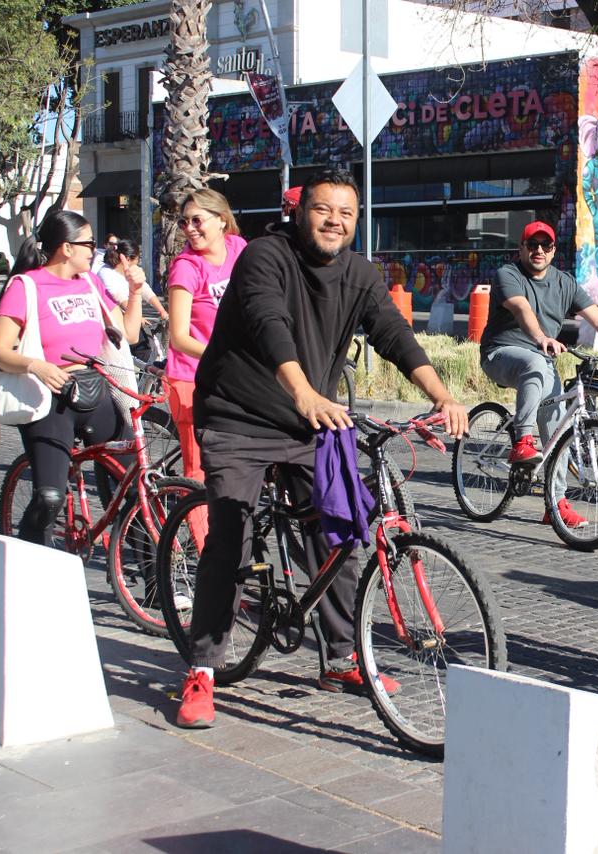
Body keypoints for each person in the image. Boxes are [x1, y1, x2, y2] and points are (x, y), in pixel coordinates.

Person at [175, 169, 468, 729]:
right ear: (299, 212)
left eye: (347, 212)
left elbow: (393, 333)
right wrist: (304, 390)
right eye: (322, 209)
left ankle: (340, 657)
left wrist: (443, 395)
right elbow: (268, 323)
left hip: (311, 419)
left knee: (338, 531)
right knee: (230, 535)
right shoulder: (264, 256)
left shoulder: (359, 273)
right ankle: (203, 669)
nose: (335, 220)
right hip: (239, 415)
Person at [0, 211, 143, 545]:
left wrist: (135, 292)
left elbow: (129, 335)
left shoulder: (90, 283)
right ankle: (29, 564)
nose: (97, 251)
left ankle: (156, 585)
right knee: (50, 497)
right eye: (88, 243)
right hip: (48, 399)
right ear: (66, 248)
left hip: (94, 390)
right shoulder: (26, 286)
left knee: (136, 489)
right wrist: (37, 366)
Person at [479, 221, 598, 528]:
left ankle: (556, 504)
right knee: (536, 365)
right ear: (521, 248)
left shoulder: (564, 283)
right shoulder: (508, 275)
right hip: (500, 353)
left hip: (542, 358)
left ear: (553, 251)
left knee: (559, 426)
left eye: (546, 245)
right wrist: (542, 339)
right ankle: (522, 441)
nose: (539, 250)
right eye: (532, 244)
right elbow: (522, 310)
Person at [165, 189, 247, 486]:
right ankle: (203, 533)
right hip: (191, 377)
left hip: (233, 375)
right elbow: (178, 337)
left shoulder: (238, 248)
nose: (190, 229)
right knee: (200, 471)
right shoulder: (186, 268)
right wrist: (224, 354)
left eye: (197, 220)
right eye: (184, 222)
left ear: (222, 220)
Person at [98, 239, 168, 321]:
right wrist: (138, 318)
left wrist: (162, 311)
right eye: (137, 259)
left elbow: (145, 289)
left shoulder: (131, 269)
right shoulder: (106, 274)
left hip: (126, 316)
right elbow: (119, 298)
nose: (138, 262)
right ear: (128, 260)